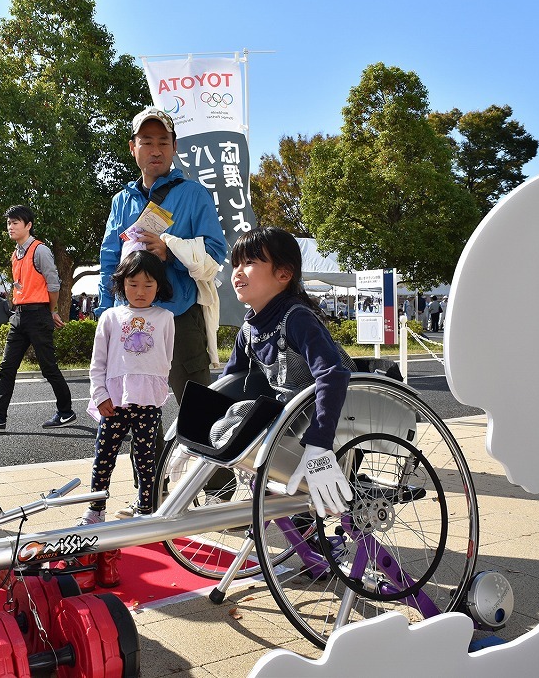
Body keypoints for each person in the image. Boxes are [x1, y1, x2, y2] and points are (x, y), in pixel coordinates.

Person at [97, 106, 227, 485]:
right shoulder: (121, 200)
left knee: (198, 405)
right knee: (134, 408)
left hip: (179, 317)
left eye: (163, 142)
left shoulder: (193, 194)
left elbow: (216, 252)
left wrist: (169, 248)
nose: (155, 149)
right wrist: (107, 313)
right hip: (130, 321)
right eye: (146, 141)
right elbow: (109, 257)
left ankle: (218, 490)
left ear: (174, 149)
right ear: (133, 147)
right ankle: (148, 494)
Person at [219, 227, 354, 518]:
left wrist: (320, 442)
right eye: (235, 264)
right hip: (290, 416)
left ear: (283, 274)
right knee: (233, 416)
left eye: (250, 263)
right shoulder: (249, 328)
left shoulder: (297, 318)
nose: (238, 272)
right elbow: (229, 381)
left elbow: (332, 374)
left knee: (244, 414)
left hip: (327, 414)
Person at [78, 251, 175, 525]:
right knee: (104, 456)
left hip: (148, 402)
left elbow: (165, 359)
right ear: (122, 284)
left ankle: (146, 507)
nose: (140, 291)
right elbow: (98, 361)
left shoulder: (165, 318)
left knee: (146, 459)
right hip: (114, 402)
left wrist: (157, 392)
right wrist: (99, 394)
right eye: (133, 284)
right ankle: (96, 509)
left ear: (159, 285)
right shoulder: (110, 317)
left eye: (148, 285)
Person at [0, 205, 74, 431]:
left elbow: (53, 284)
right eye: (9, 223)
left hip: (38, 315)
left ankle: (66, 411)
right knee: (6, 368)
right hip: (18, 316)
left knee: (48, 368)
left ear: (28, 225)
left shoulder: (40, 250)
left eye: (15, 223)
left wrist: (52, 311)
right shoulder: (15, 254)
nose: (10, 227)